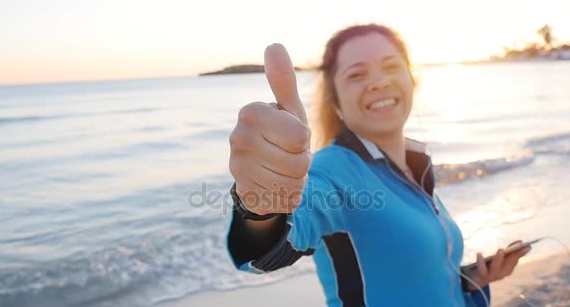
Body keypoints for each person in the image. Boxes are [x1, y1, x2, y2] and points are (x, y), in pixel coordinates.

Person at [226, 24, 530, 306]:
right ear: (335, 101)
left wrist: (469, 279)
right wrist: (261, 204)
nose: (378, 83)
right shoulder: (332, 171)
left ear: (412, 79)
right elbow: (265, 252)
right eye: (356, 75)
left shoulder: (417, 164)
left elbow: (412, 277)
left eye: (391, 66)